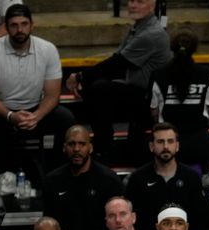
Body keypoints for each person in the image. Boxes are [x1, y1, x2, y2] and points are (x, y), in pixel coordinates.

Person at [0, 3, 74, 183]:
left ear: (32, 25)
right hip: (2, 112)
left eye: (24, 24)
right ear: (6, 27)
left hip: (35, 110)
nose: (19, 29)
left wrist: (36, 116)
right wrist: (10, 116)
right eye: (13, 25)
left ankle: (56, 176)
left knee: (64, 118)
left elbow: (52, 95)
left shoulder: (48, 49)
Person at [66, 0, 170, 164]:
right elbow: (117, 60)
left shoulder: (151, 34)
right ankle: (106, 142)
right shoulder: (138, 27)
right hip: (137, 90)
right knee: (95, 86)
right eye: (131, 1)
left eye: (140, 1)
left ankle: (105, 145)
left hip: (150, 99)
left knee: (98, 89)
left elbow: (118, 62)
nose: (133, 5)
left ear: (152, 5)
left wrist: (80, 77)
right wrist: (84, 78)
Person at [42, 125, 123, 230]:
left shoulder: (109, 180)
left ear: (90, 148)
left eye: (82, 144)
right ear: (64, 148)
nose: (76, 149)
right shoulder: (52, 181)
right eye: (71, 144)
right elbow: (49, 222)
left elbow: (115, 225)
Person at [125, 123, 209, 230]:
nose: (166, 146)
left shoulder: (191, 177)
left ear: (177, 146)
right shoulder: (138, 179)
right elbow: (132, 218)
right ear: (151, 146)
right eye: (160, 142)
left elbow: (201, 216)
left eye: (170, 141)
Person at [150, 30, 209, 172]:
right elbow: (208, 106)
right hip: (199, 141)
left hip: (167, 141)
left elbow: (154, 111)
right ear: (194, 49)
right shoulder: (207, 73)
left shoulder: (158, 74)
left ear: (172, 48)